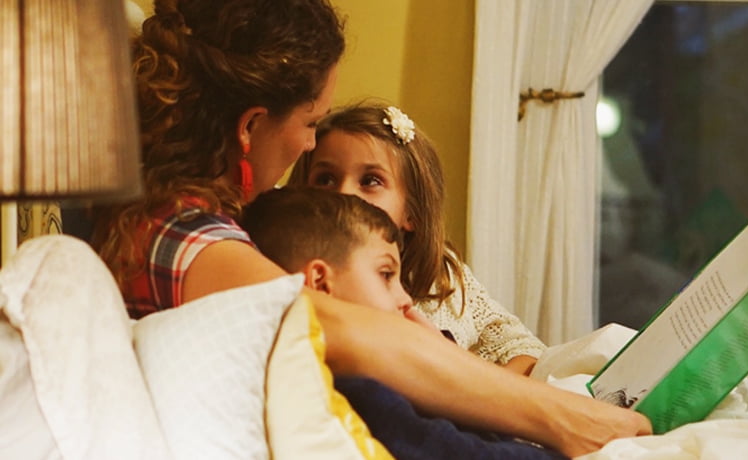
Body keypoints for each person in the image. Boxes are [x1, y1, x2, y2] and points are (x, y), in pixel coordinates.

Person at [91, 1, 651, 457]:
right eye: (310, 123)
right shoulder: (180, 233)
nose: (309, 146)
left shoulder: (194, 216)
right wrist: (564, 419)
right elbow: (353, 335)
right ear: (251, 126)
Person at [241, 186, 567, 459]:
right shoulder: (357, 390)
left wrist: (443, 355)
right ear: (321, 283)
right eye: (385, 275)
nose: (405, 298)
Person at [287, 101, 543, 375]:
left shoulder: (443, 276)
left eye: (370, 181)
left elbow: (525, 350)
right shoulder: (293, 275)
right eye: (325, 179)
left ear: (412, 213)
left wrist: (478, 382)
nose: (344, 193)